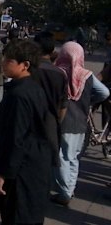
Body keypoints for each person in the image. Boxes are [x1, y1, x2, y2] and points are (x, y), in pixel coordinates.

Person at [0, 39, 53, 224]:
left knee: (17, 216)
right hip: (35, 164)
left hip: (23, 170)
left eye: (9, 60)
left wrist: (3, 173)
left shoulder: (19, 95)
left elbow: (17, 138)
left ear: (25, 65)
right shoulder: (31, 88)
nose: (3, 63)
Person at [51, 41, 110, 206]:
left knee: (62, 157)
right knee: (74, 157)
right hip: (81, 121)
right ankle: (70, 188)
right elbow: (104, 93)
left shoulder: (58, 73)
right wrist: (89, 101)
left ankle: (65, 193)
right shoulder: (86, 75)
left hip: (63, 121)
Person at [34, 31, 69, 168]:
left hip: (30, 124)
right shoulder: (60, 74)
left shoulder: (29, 71)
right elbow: (63, 106)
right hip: (50, 126)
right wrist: (56, 123)